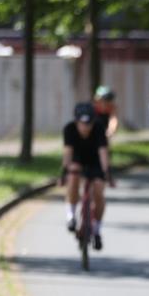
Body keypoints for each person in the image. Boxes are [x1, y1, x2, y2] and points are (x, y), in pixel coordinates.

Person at [62, 102, 113, 250]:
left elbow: (103, 153)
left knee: (99, 191)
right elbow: (67, 153)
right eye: (82, 124)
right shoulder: (69, 129)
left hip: (95, 161)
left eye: (89, 124)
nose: (85, 127)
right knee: (73, 176)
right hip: (78, 159)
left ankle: (96, 230)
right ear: (76, 121)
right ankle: (71, 215)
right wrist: (64, 172)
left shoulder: (99, 129)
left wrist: (107, 173)